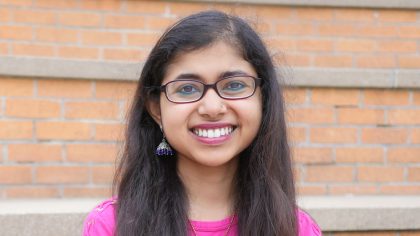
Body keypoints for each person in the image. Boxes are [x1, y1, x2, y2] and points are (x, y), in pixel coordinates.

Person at [83, 10, 321, 236]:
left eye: (234, 85)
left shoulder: (295, 228)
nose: (212, 108)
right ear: (156, 108)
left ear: (264, 100)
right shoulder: (113, 225)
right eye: (187, 89)